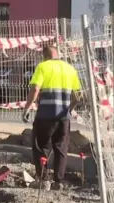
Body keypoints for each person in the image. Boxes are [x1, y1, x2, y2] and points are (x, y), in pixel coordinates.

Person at [22, 46, 82, 191]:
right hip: (63, 117)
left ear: (45, 56)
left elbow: (35, 89)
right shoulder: (70, 69)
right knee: (61, 148)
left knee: (40, 146)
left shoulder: (43, 67)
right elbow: (78, 95)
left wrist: (27, 108)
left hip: (45, 116)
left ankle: (43, 180)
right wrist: (69, 109)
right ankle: (58, 182)